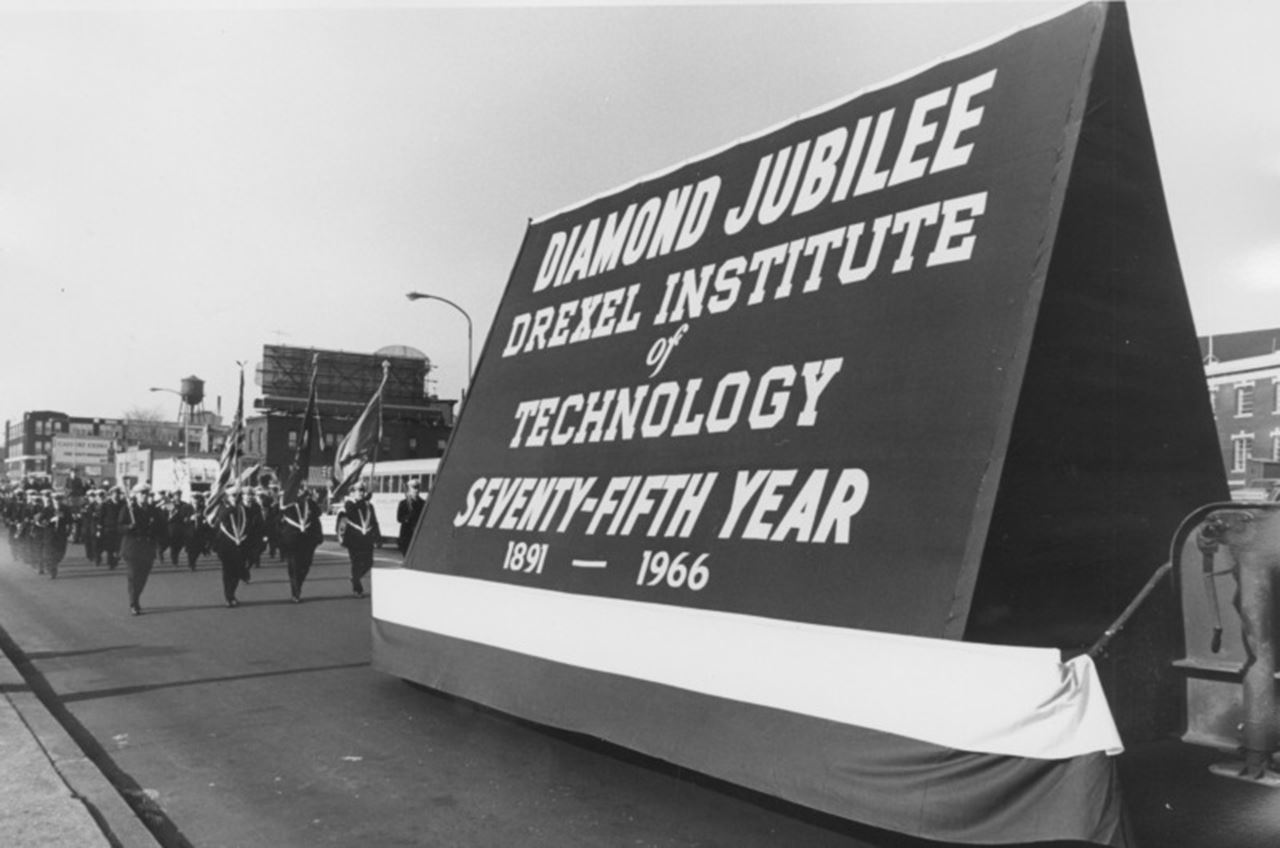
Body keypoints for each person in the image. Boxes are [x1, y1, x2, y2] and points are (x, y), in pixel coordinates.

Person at [117, 483, 162, 615]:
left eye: (146, 493)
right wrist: (129, 527)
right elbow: (119, 527)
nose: (144, 496)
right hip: (132, 548)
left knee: (142, 578)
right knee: (133, 576)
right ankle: (133, 602)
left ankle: (136, 598)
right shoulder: (129, 509)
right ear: (135, 495)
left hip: (147, 548)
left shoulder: (153, 510)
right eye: (142, 493)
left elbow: (160, 527)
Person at [279, 486, 324, 603]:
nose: (301, 491)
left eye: (302, 489)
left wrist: (319, 537)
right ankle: (295, 591)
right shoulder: (288, 504)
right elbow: (278, 520)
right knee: (294, 566)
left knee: (306, 565)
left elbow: (317, 518)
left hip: (307, 540)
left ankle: (298, 585)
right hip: (292, 541)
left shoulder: (310, 504)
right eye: (298, 489)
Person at [212, 487, 253, 607]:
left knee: (236, 572)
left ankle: (232, 593)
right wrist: (232, 508)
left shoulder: (242, 509)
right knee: (228, 572)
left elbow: (248, 523)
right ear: (227, 497)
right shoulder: (224, 508)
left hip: (240, 544)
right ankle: (228, 596)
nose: (235, 498)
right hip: (226, 545)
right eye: (232, 496)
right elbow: (223, 517)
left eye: (237, 496)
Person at [338, 482, 380, 598]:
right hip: (354, 539)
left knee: (369, 562)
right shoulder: (349, 504)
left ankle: (354, 578)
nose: (361, 492)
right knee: (356, 563)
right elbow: (351, 512)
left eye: (363, 490)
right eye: (359, 490)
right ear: (352, 493)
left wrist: (378, 537)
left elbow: (374, 521)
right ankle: (357, 588)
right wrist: (364, 501)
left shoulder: (369, 506)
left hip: (366, 538)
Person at [395, 479, 425, 555]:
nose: (416, 490)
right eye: (414, 488)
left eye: (417, 488)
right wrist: (408, 517)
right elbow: (399, 518)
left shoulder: (423, 503)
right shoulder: (403, 503)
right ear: (409, 489)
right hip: (407, 535)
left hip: (418, 534)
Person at [98, 486, 125, 569]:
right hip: (109, 528)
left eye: (118, 494)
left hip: (120, 528)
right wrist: (99, 528)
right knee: (110, 547)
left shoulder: (123, 504)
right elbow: (101, 517)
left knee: (119, 546)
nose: (116, 496)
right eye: (115, 494)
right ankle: (110, 562)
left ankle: (116, 558)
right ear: (111, 495)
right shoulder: (106, 504)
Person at [79, 489, 101, 564]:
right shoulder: (84, 505)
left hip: (94, 525)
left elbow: (98, 514)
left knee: (95, 542)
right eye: (90, 496)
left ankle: (96, 556)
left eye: (93, 496)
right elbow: (82, 514)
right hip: (86, 526)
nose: (92, 497)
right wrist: (90, 514)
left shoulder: (97, 505)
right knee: (87, 542)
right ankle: (89, 555)